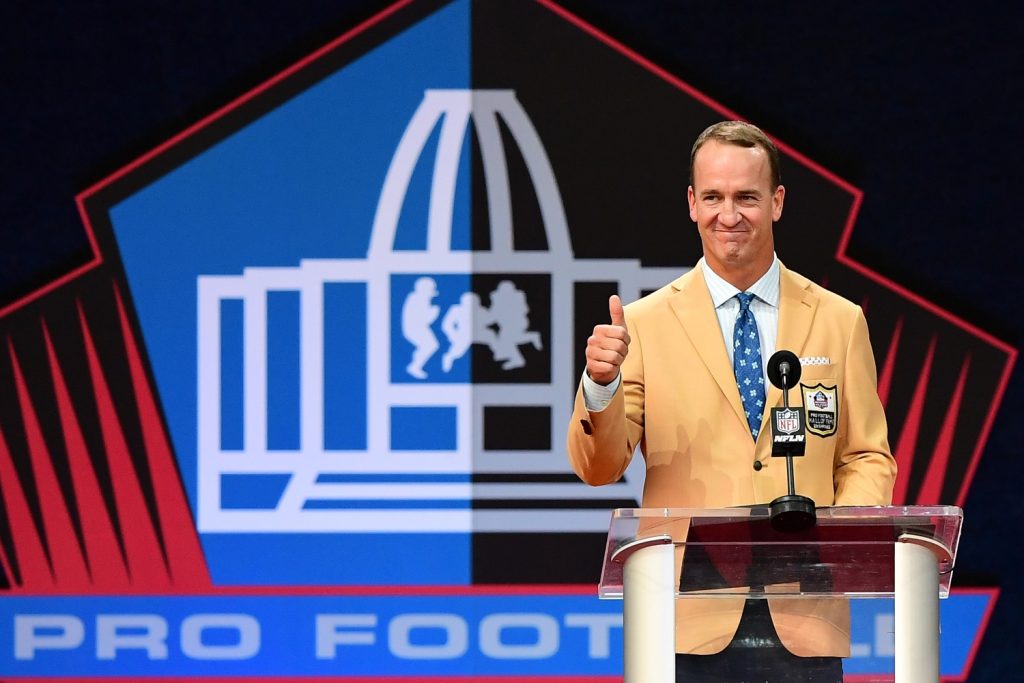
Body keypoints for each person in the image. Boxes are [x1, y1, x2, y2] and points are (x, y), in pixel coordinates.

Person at [566, 121, 897, 681]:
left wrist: (833, 538)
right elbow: (599, 469)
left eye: (747, 197)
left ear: (777, 203)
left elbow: (867, 456)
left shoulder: (839, 321)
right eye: (714, 197)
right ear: (692, 203)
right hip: (685, 617)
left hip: (805, 611)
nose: (730, 214)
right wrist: (600, 384)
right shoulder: (645, 325)